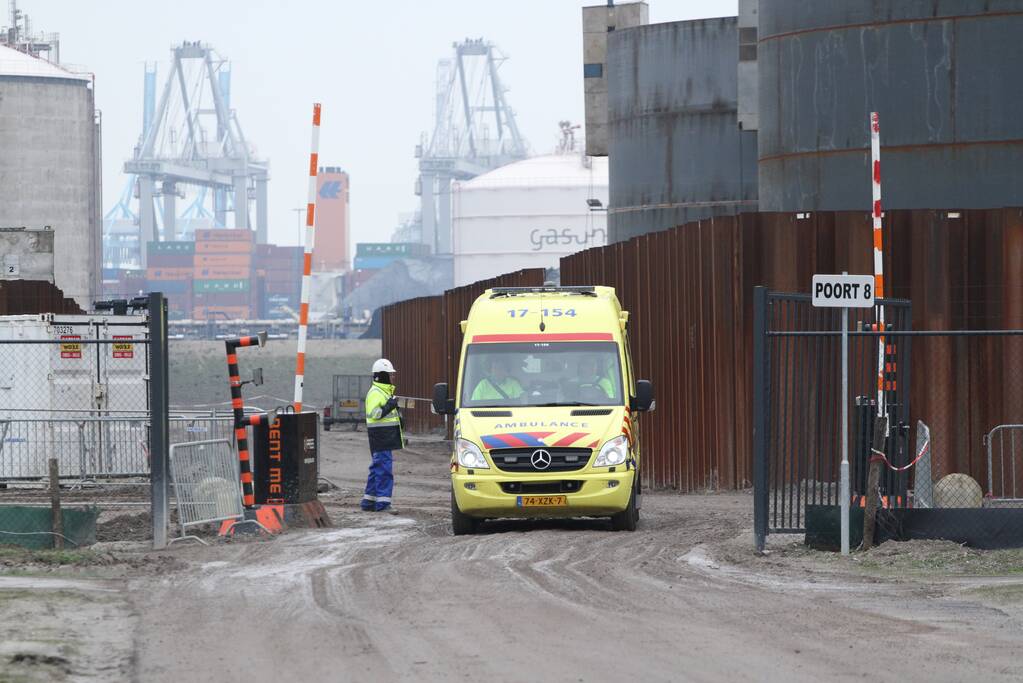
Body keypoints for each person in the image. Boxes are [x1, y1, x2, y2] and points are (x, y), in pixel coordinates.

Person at [362, 358, 403, 512]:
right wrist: (391, 404)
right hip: (381, 438)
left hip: (383, 437)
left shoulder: (383, 392)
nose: (393, 377)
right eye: (390, 374)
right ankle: (383, 504)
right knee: (384, 470)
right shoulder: (376, 393)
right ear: (383, 375)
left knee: (377, 469)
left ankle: (369, 501)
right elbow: (376, 414)